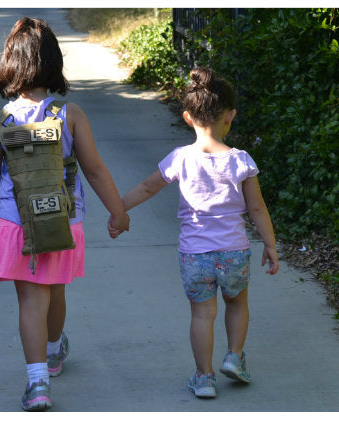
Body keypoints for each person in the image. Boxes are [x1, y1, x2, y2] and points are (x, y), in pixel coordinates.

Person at [0, 17, 129, 411]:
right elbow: (94, 169)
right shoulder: (69, 113)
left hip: (15, 224)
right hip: (63, 219)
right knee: (55, 287)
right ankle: (56, 348)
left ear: (10, 64)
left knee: (30, 301)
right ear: (54, 63)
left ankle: (38, 384)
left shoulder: (0, 122)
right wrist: (118, 211)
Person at [113, 67, 278, 399]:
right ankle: (234, 357)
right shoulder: (241, 161)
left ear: (188, 118)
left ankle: (204, 377)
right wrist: (270, 245)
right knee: (237, 302)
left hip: (195, 255)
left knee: (203, 314)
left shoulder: (181, 158)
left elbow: (147, 188)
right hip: (233, 252)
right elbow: (257, 208)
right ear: (230, 116)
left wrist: (119, 210)